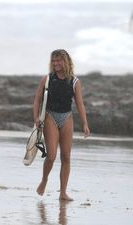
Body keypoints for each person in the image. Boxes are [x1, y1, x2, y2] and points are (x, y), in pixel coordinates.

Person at [33, 49, 90, 201]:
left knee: (66, 157)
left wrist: (85, 123)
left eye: (59, 60)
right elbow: (37, 100)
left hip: (67, 118)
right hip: (50, 116)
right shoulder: (47, 79)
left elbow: (79, 104)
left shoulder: (75, 81)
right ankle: (44, 180)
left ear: (66, 61)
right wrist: (36, 118)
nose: (56, 63)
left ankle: (63, 192)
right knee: (51, 156)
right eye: (54, 60)